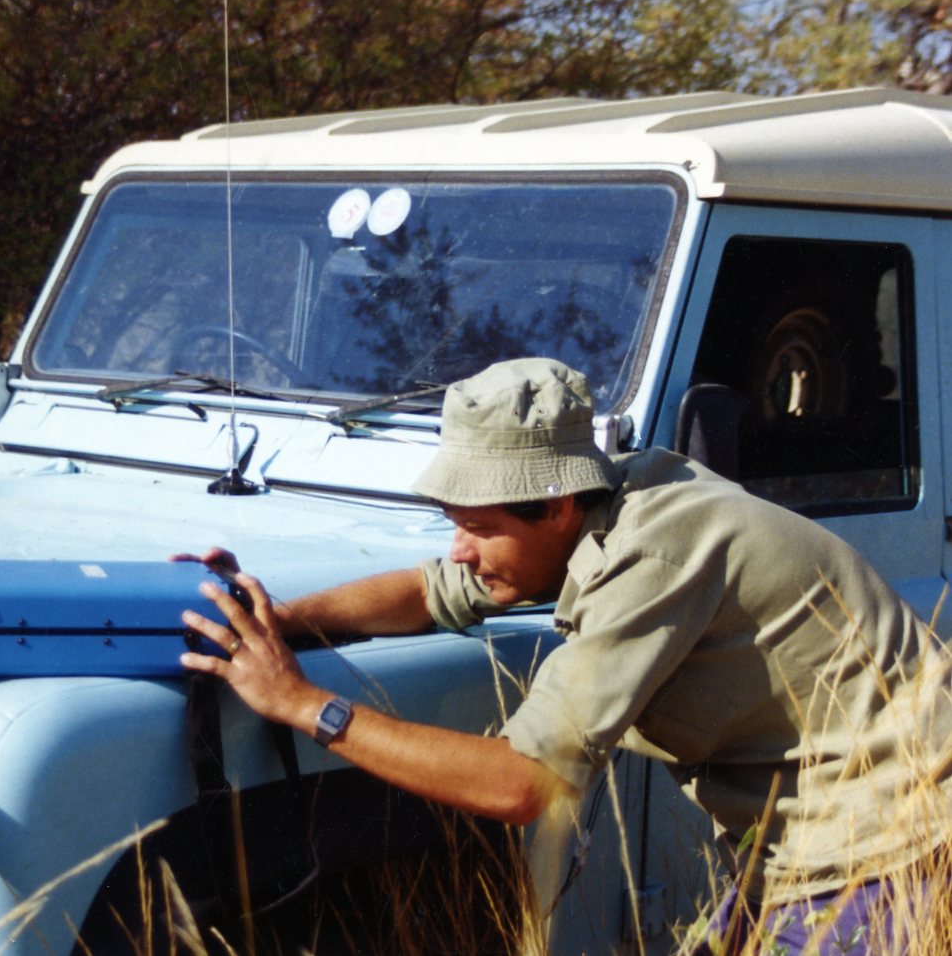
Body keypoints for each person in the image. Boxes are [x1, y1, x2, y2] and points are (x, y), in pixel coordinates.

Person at [178, 357, 952, 954]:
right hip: (809, 843)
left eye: (474, 528)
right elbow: (431, 590)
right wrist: (279, 619)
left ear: (552, 506)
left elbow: (528, 785)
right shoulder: (608, 499)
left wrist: (302, 703)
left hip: (888, 843)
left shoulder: (654, 555)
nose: (461, 550)